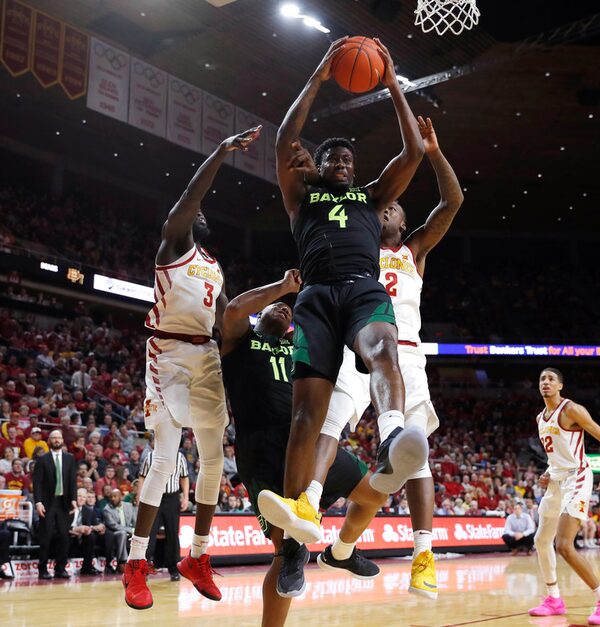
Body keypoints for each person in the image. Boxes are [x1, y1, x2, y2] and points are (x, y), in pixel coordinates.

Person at [258, 37, 428, 545]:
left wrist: (392, 82)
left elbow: (414, 151)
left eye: (347, 156)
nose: (340, 159)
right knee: (307, 412)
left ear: (354, 168)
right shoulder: (300, 196)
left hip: (361, 287)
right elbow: (286, 134)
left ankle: (392, 431)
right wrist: (320, 75)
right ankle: (295, 522)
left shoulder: (372, 196)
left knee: (383, 348)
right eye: (331, 153)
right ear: (316, 163)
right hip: (314, 298)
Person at [317, 115, 463, 598]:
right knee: (329, 425)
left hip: (406, 358)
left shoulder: (415, 250)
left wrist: (434, 152)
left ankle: (422, 554)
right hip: (356, 343)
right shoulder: (357, 242)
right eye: (384, 205)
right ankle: (308, 505)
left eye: (396, 208)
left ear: (404, 223)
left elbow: (452, 202)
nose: (388, 210)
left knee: (413, 455)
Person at [122, 127, 261, 610]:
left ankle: (197, 557)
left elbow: (228, 320)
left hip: (205, 356)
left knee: (214, 459)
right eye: (192, 210)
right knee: (164, 457)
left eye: (203, 213)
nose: (199, 212)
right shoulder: (172, 247)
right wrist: (221, 153)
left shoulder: (215, 266)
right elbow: (190, 195)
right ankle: (136, 564)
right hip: (168, 353)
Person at [219, 271, 384, 625]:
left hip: (305, 441)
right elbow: (232, 310)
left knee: (375, 493)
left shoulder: (300, 349)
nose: (284, 311)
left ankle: (342, 550)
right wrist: (282, 288)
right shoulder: (241, 341)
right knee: (285, 550)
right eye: (275, 309)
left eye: (288, 311)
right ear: (259, 315)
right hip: (260, 447)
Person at [529, 369, 600, 625]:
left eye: (550, 379)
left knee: (564, 546)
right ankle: (554, 599)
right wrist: (548, 472)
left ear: (560, 385)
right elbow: (557, 453)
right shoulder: (540, 417)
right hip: (556, 480)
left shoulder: (572, 410)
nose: (545, 383)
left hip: (577, 478)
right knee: (541, 540)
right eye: (541, 380)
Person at [139, 446, 189, 581]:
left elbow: (184, 478)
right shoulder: (150, 456)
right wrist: (139, 497)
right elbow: (142, 477)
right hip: (153, 496)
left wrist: (185, 497)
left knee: (173, 534)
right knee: (149, 534)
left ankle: (174, 569)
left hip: (172, 498)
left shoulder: (180, 457)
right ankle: (144, 568)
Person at [33, 429, 76, 580]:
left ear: (62, 440)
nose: (57, 440)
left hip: (64, 503)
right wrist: (38, 502)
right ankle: (42, 569)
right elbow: (37, 483)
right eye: (54, 438)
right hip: (47, 503)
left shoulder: (70, 459)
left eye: (59, 437)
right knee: (46, 537)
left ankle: (60, 569)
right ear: (49, 441)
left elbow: (72, 482)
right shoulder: (42, 459)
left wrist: (74, 499)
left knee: (64, 537)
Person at [69, 487, 105, 575]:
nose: (81, 499)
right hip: (69, 535)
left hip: (82, 537)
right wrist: (74, 529)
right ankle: (62, 568)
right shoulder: (68, 508)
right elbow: (61, 525)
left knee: (91, 536)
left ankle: (87, 567)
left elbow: (95, 524)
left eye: (84, 497)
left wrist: (99, 527)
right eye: (79, 496)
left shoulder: (88, 510)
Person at [104, 488, 136, 570]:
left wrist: (135, 531)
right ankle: (122, 561)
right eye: (111, 497)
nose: (113, 498)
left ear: (121, 497)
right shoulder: (107, 509)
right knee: (122, 533)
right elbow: (113, 525)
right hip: (114, 533)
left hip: (129, 531)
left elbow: (134, 520)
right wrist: (130, 530)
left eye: (115, 496)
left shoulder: (129, 506)